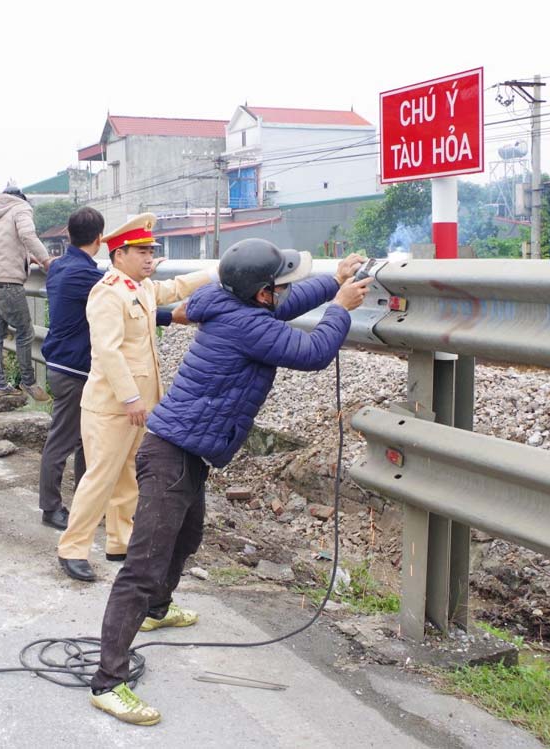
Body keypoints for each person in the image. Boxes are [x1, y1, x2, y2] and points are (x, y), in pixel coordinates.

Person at [87, 239, 372, 725]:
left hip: (189, 450)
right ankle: (108, 682)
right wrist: (340, 307)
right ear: (261, 293)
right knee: (142, 567)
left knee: (187, 539)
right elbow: (314, 351)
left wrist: (334, 280)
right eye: (280, 284)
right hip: (172, 454)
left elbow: (286, 306)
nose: (285, 291)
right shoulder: (250, 325)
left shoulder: (228, 303)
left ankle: (158, 610)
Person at [56, 213, 212, 582]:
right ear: (119, 254)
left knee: (129, 474)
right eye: (141, 251)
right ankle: (72, 548)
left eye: (151, 251)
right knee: (100, 478)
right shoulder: (108, 292)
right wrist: (129, 398)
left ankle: (119, 541)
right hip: (113, 406)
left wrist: (214, 274)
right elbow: (107, 351)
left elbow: (173, 288)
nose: (149, 258)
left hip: (139, 406)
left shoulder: (139, 288)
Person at [36, 209, 179, 532]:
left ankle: (90, 507)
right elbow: (132, 299)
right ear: (101, 240)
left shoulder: (59, 266)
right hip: (74, 368)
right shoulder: (89, 277)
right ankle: (51, 507)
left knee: (86, 444)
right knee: (65, 440)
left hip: (63, 363)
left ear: (68, 235)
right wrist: (170, 313)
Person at [0, 182, 52, 401]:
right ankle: (28, 381)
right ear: (22, 198)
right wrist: (46, 260)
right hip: (9, 285)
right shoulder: (21, 208)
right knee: (26, 332)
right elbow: (27, 235)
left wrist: (26, 257)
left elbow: (3, 245)